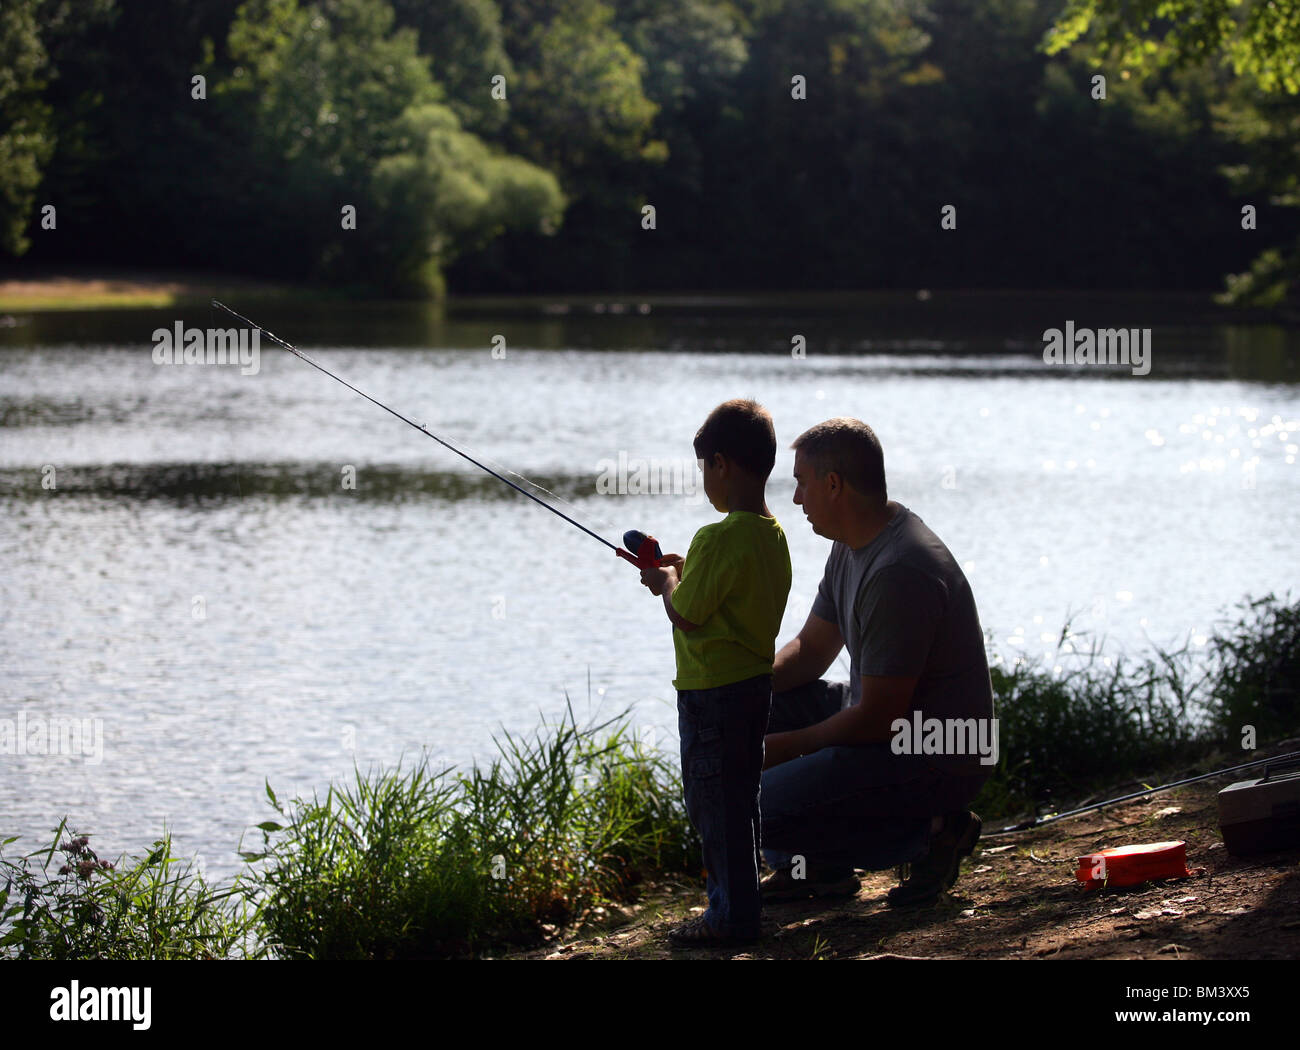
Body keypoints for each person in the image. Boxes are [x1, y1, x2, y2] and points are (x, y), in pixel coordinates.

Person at [759, 417, 994, 906]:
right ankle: (818, 869)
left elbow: (879, 719)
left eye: (801, 483)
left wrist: (779, 749)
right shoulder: (850, 543)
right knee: (755, 712)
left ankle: (931, 831)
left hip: (935, 756)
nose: (797, 498)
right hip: (889, 726)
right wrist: (742, 688)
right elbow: (811, 651)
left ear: (833, 484)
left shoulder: (899, 570)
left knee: (755, 800)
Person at [639, 398, 792, 947]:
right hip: (754, 691)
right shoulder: (773, 537)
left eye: (705, 467)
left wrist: (666, 583)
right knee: (740, 803)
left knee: (713, 809)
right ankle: (741, 910)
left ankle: (727, 918)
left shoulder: (717, 537)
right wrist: (684, 570)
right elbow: (724, 597)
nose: (704, 479)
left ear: (721, 464)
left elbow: (686, 612)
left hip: (711, 698)